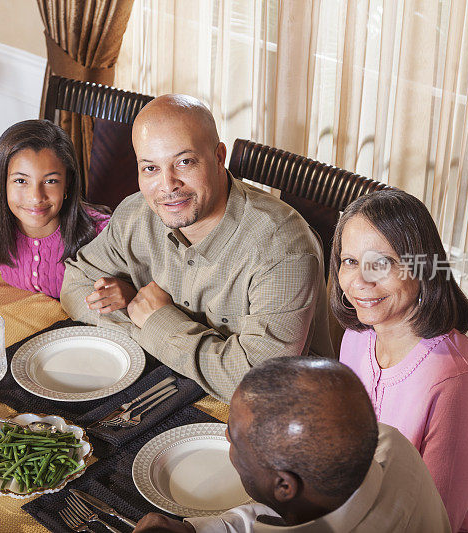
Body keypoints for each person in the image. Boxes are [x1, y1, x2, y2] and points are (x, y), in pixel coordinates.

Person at [60, 94, 333, 403]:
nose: (168, 185)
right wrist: (139, 316)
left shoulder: (283, 249)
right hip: (160, 388)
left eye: (184, 162)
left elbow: (259, 384)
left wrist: (156, 323)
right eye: (150, 168)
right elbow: (74, 285)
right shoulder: (136, 213)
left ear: (219, 157)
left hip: (275, 414)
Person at [331, 189, 468, 532]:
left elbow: (430, 522)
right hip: (362, 507)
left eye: (381, 263)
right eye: (350, 261)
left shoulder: (456, 381)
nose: (360, 282)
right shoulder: (357, 337)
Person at [134, 356, 451, 533]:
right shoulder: (389, 443)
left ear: (284, 485)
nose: (226, 436)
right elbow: (272, 517)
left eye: (236, 439)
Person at [0, 120, 109, 298]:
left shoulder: (103, 236)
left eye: (50, 181)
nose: (36, 197)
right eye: (21, 181)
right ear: (1, 182)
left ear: (67, 183)